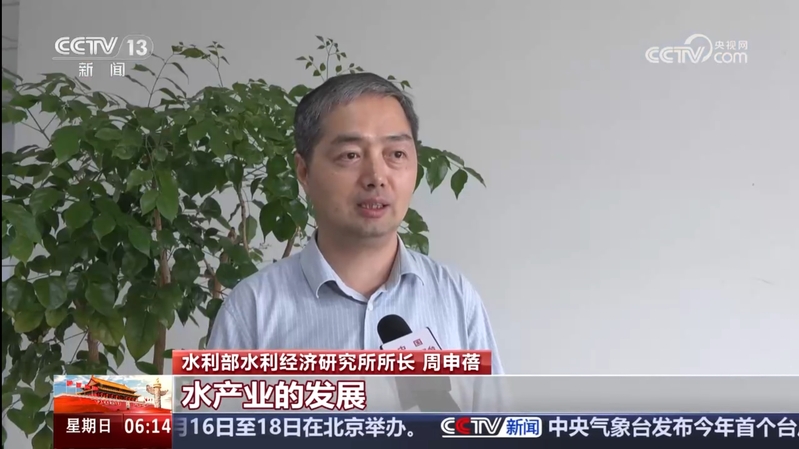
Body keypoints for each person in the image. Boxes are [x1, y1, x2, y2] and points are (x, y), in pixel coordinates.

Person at [207, 72, 504, 378]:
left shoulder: (455, 296)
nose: (376, 177)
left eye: (396, 154)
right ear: (304, 171)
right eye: (350, 155)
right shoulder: (253, 309)